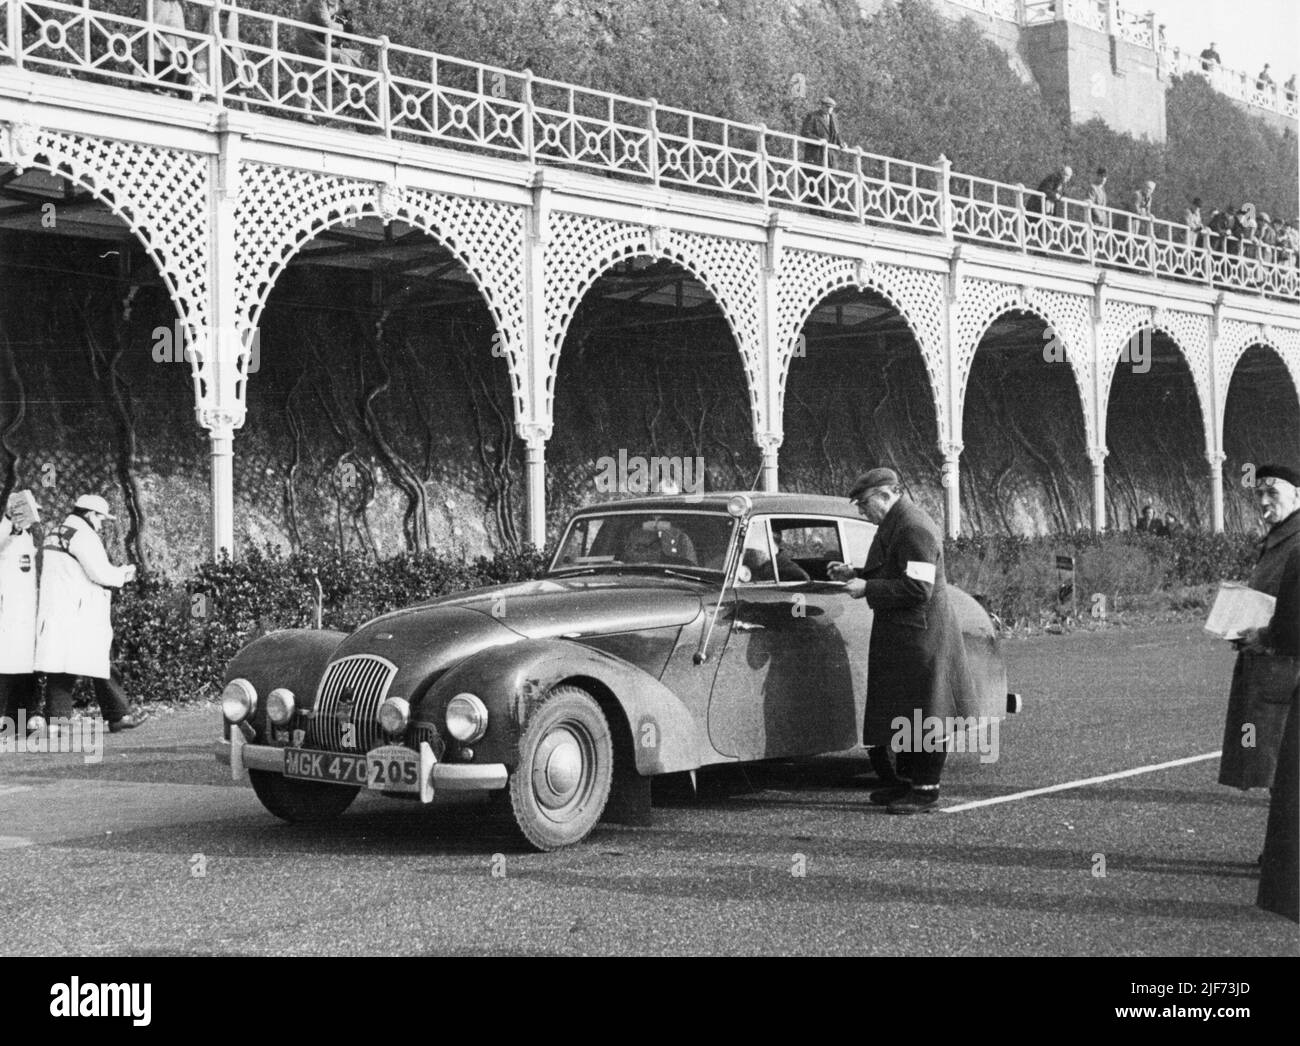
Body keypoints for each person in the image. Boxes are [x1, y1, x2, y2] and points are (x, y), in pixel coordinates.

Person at [827, 468, 977, 815]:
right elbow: (898, 570)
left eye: (864, 504)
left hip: (920, 635)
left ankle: (925, 792)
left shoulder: (913, 527)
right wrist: (856, 573)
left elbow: (917, 588)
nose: (863, 511)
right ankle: (909, 785)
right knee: (911, 711)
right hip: (907, 635)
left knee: (927, 712)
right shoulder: (898, 522)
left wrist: (868, 588)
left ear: (885, 495)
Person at [33, 495, 146, 733]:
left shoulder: (55, 531)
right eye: (101, 519)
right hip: (81, 611)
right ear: (90, 514)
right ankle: (119, 715)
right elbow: (101, 574)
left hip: (57, 608)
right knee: (101, 662)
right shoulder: (84, 536)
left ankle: (57, 721)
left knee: (60, 667)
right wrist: (124, 574)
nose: (102, 524)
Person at [1218, 464, 1300, 794]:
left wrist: (1263, 636)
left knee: (1285, 769)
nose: (1264, 501)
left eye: (1272, 493)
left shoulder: (1295, 542)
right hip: (1269, 668)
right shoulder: (1281, 538)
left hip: (1285, 670)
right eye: (1259, 494)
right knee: (1276, 767)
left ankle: (1285, 847)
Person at [0, 492, 40, 729]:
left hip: (26, 611)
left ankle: (20, 719)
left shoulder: (28, 536)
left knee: (25, 666)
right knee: (4, 665)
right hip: (7, 611)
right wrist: (8, 522)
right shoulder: (4, 532)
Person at [296, 0, 362, 66]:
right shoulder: (319, 2)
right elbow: (327, 24)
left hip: (322, 42)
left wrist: (346, 20)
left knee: (356, 56)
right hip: (310, 43)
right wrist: (345, 29)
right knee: (345, 59)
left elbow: (338, 14)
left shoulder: (336, 5)